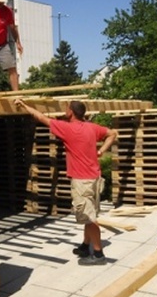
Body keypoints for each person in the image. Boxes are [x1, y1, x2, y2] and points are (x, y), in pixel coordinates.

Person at [15, 98, 118, 265]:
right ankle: (86, 246)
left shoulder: (68, 129)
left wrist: (25, 106)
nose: (64, 111)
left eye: (66, 108)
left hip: (82, 181)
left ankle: (98, 254)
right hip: (94, 178)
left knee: (89, 218)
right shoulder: (92, 128)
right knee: (88, 214)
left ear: (71, 112)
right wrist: (101, 151)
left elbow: (41, 118)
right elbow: (112, 133)